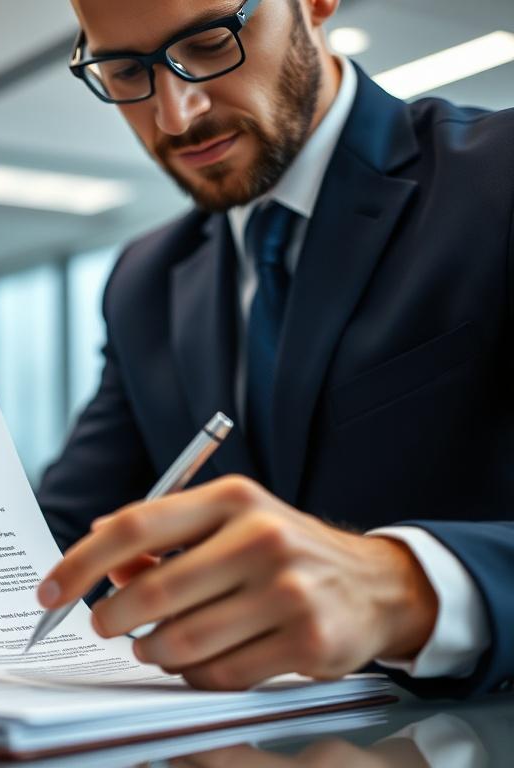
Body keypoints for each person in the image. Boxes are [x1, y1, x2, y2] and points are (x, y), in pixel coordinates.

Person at [34, 0, 514, 698]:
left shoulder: (498, 183)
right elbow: (66, 530)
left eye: (207, 43)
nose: (175, 114)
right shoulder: (145, 279)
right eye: (122, 70)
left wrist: (406, 587)